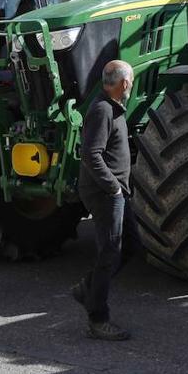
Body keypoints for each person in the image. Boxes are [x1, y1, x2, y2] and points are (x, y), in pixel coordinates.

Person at [71, 59, 139, 341]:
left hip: (117, 191)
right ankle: (98, 319)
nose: (131, 87)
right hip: (105, 193)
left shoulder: (113, 108)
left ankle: (87, 288)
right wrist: (113, 188)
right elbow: (91, 155)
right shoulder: (101, 110)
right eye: (131, 83)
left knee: (131, 245)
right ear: (124, 84)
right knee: (110, 251)